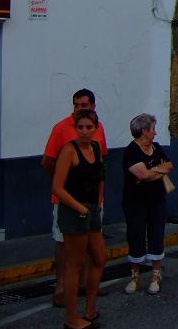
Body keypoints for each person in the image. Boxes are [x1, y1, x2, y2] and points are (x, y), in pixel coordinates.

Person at [41, 88, 109, 308]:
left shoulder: (99, 131)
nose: (80, 109)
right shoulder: (61, 129)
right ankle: (61, 287)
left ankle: (87, 284)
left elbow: (100, 164)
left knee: (92, 246)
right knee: (64, 244)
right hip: (68, 202)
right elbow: (48, 161)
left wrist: (99, 198)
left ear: (93, 108)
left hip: (93, 201)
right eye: (77, 105)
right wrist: (67, 180)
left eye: (84, 106)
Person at [51, 109, 107, 329]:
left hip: (92, 210)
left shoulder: (95, 147)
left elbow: (100, 175)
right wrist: (79, 208)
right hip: (74, 211)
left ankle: (90, 309)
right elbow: (57, 187)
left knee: (100, 257)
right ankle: (71, 318)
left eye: (89, 127)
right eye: (80, 127)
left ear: (95, 128)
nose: (84, 132)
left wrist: (98, 202)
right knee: (75, 264)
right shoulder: (69, 150)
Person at [122, 113, 174, 296]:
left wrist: (153, 170)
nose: (155, 133)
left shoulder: (156, 148)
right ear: (144, 131)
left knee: (156, 235)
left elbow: (169, 165)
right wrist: (157, 171)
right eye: (152, 129)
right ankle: (134, 278)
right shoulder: (131, 152)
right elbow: (142, 175)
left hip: (157, 200)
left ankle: (155, 276)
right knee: (135, 236)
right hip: (135, 203)